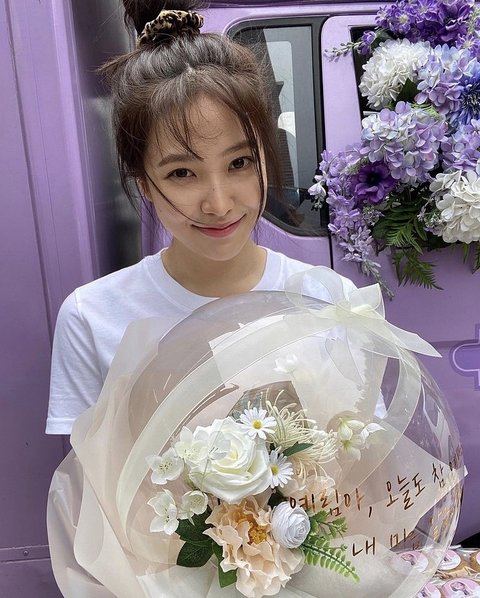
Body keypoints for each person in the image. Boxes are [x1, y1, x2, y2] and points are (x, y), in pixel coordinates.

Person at [45, 0, 356, 437]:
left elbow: (363, 451)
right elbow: (91, 474)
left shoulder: (329, 298)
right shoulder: (93, 318)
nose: (219, 204)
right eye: (182, 173)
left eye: (239, 163)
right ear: (144, 183)